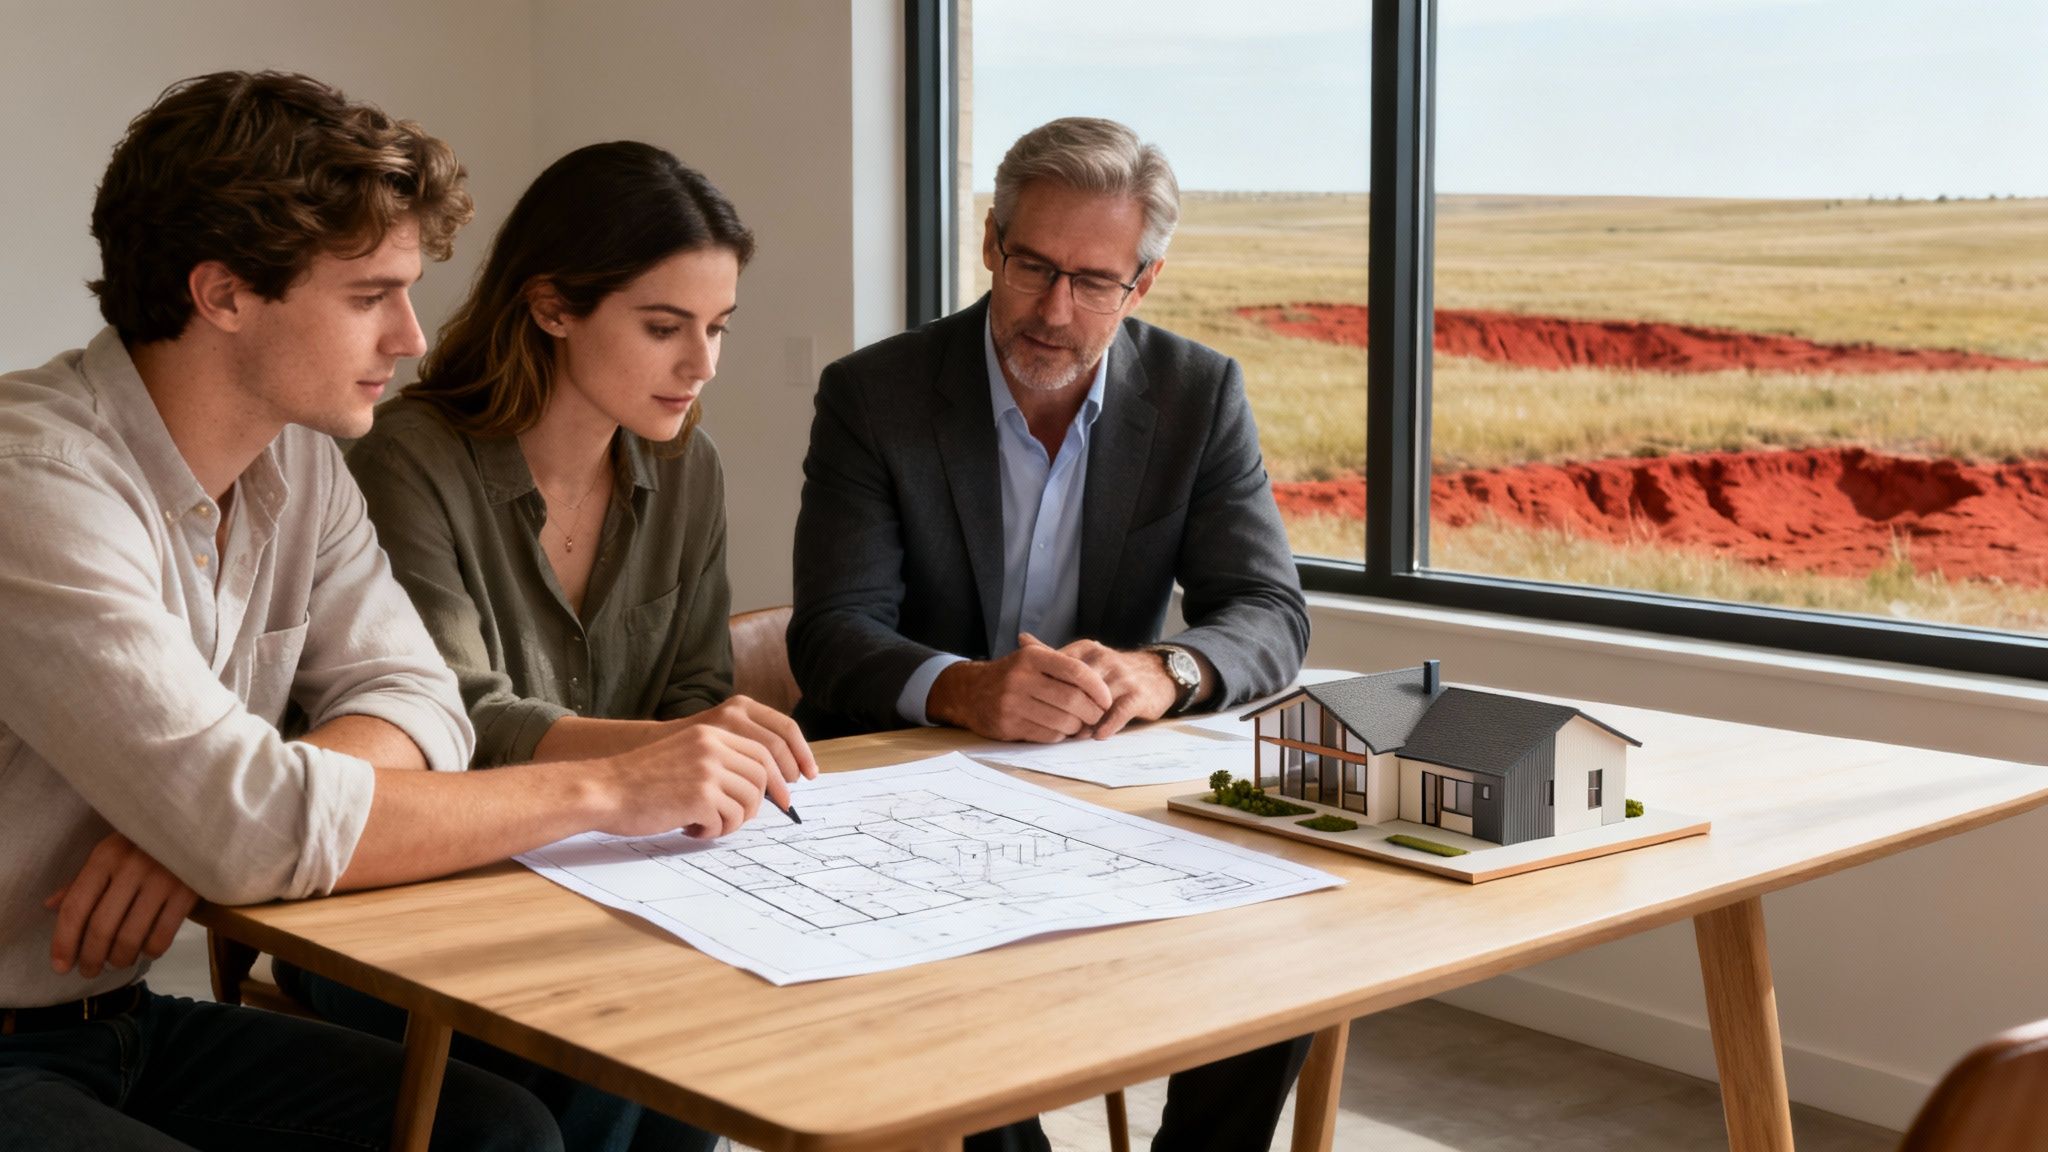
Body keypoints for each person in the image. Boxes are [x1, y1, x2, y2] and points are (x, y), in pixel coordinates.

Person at [0, 71, 795, 1151]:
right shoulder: (33, 483)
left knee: (501, 1133)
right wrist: (610, 785)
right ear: (224, 294)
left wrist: (220, 814)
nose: (413, 336)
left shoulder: (304, 467)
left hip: (119, 1018)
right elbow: (249, 820)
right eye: (370, 296)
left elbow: (425, 704)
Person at [788, 117, 1311, 1152]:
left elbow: (1266, 609)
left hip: (1094, 784)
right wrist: (959, 687)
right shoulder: (875, 394)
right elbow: (831, 633)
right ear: (990, 243)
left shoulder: (1197, 395)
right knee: (965, 1039)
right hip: (898, 794)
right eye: (1031, 266)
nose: (1053, 309)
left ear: (1143, 284)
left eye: (1093, 281)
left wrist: (1165, 669)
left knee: (1283, 953)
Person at [286, 140, 808, 1152]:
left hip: (609, 880)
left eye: (716, 328)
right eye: (663, 327)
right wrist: (654, 760)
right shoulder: (408, 458)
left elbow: (695, 686)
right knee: (630, 1032)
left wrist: (701, 748)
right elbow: (455, 719)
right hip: (396, 899)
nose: (700, 366)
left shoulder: (684, 467)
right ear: (552, 306)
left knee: (701, 1017)